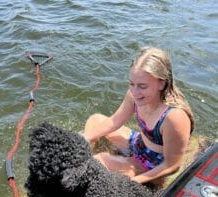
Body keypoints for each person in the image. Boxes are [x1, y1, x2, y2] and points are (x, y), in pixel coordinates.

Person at [83, 47, 194, 184]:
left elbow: (172, 165)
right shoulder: (135, 96)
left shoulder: (174, 117)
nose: (135, 92)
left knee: (99, 160)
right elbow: (115, 121)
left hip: (153, 164)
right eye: (132, 84)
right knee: (95, 120)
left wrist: (133, 183)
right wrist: (82, 140)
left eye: (142, 86)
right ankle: (85, 156)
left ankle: (98, 166)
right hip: (138, 143)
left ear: (162, 83)